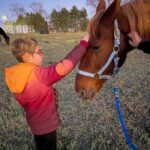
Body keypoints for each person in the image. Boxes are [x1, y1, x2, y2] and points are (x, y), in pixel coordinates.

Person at [5, 34, 89, 150]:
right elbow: (65, 66)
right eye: (39, 51)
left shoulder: (18, 75)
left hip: (35, 124)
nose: (42, 54)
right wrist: (83, 43)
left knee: (41, 145)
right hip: (46, 126)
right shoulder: (39, 74)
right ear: (27, 57)